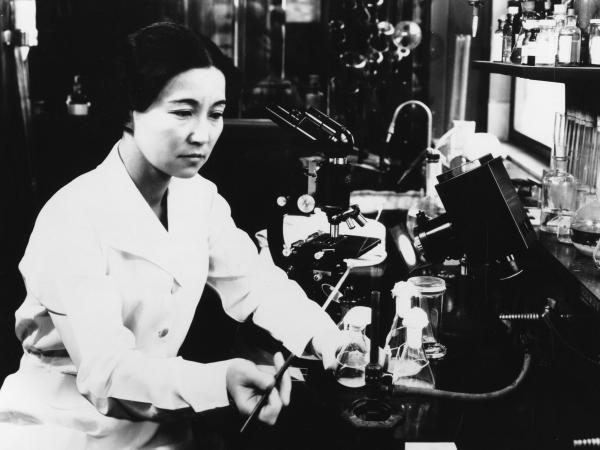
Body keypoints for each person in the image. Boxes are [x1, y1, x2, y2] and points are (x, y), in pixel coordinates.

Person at [0, 22, 342, 450]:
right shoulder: (71, 219)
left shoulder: (200, 199)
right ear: (130, 111)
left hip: (163, 425)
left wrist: (328, 337)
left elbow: (257, 286)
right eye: (183, 111)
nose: (202, 134)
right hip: (64, 428)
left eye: (215, 113)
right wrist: (219, 381)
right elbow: (105, 373)